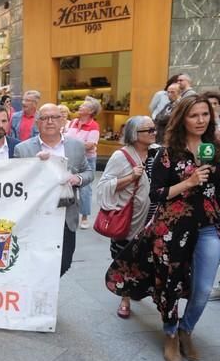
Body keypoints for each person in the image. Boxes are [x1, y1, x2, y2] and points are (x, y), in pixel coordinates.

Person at [106, 95, 219, 361]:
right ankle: (170, 333)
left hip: (208, 227)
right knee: (170, 283)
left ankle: (186, 329)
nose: (201, 120)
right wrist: (189, 182)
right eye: (194, 115)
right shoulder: (167, 153)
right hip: (172, 229)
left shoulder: (215, 149)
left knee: (203, 288)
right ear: (183, 119)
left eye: (205, 114)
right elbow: (156, 192)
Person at [15, 104, 93, 277]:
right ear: (37, 123)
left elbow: (88, 172)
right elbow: (18, 183)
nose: (49, 122)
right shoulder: (23, 149)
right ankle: (40, 294)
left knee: (64, 262)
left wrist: (78, 179)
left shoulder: (76, 146)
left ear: (63, 121)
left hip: (66, 215)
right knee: (34, 260)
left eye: (55, 117)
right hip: (36, 217)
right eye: (44, 118)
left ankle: (46, 287)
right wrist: (34, 166)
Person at [95, 116, 155, 319]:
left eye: (154, 129)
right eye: (148, 130)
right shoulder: (121, 156)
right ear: (133, 134)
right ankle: (125, 298)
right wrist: (131, 177)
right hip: (128, 219)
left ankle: (138, 288)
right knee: (125, 258)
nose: (154, 132)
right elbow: (104, 186)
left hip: (154, 216)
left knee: (148, 258)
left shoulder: (158, 153)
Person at [65, 97, 102, 229]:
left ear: (91, 111)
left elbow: (90, 145)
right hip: (70, 158)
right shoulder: (73, 122)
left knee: (85, 189)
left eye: (84, 106)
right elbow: (65, 138)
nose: (80, 107)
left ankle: (85, 216)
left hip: (87, 159)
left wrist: (72, 145)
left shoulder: (94, 126)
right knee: (68, 185)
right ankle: (68, 213)